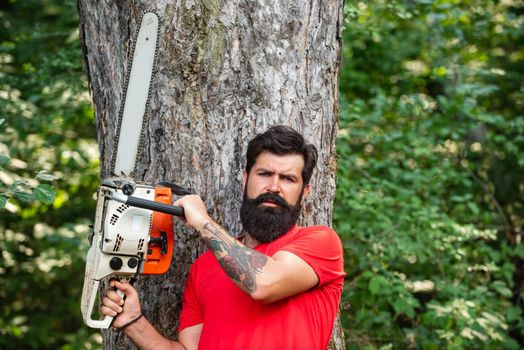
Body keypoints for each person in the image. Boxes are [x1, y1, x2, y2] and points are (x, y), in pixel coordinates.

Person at [101, 125, 345, 349]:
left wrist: (201, 221)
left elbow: (262, 283)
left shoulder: (321, 243)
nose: (274, 186)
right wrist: (133, 322)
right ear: (245, 180)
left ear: (304, 193)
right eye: (264, 173)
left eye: (288, 179)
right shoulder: (204, 268)